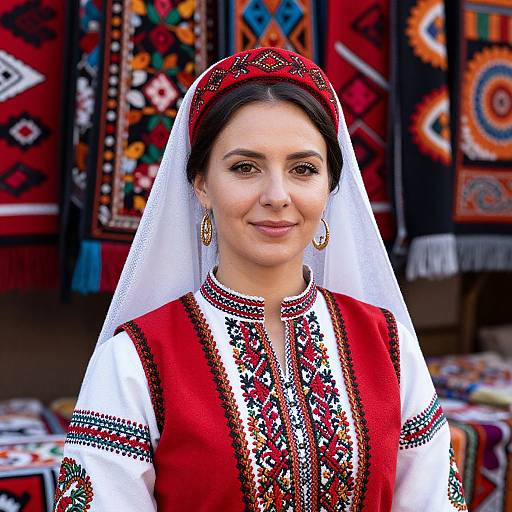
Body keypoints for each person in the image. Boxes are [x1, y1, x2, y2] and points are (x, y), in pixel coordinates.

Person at [53, 47, 466, 511]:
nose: (277, 195)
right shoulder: (135, 362)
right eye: (244, 167)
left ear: (330, 186)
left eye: (303, 169)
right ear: (202, 184)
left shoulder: (388, 344)